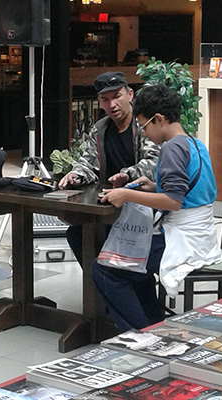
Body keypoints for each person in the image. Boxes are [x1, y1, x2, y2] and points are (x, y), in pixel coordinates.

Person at [93, 84, 222, 332]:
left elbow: (173, 201)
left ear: (159, 119)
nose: (144, 133)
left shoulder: (171, 148)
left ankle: (141, 334)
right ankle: (153, 323)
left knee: (105, 269)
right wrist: (153, 186)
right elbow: (189, 191)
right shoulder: (193, 143)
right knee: (133, 266)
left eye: (144, 127)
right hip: (201, 236)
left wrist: (126, 194)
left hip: (183, 239)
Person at [57, 71, 159, 265]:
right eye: (105, 99)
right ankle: (99, 280)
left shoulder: (144, 125)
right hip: (109, 205)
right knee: (77, 233)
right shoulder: (100, 129)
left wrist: (127, 175)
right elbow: (88, 162)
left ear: (130, 95)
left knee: (100, 237)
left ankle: (108, 278)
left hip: (141, 204)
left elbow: (154, 163)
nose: (112, 104)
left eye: (117, 96)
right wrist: (76, 175)